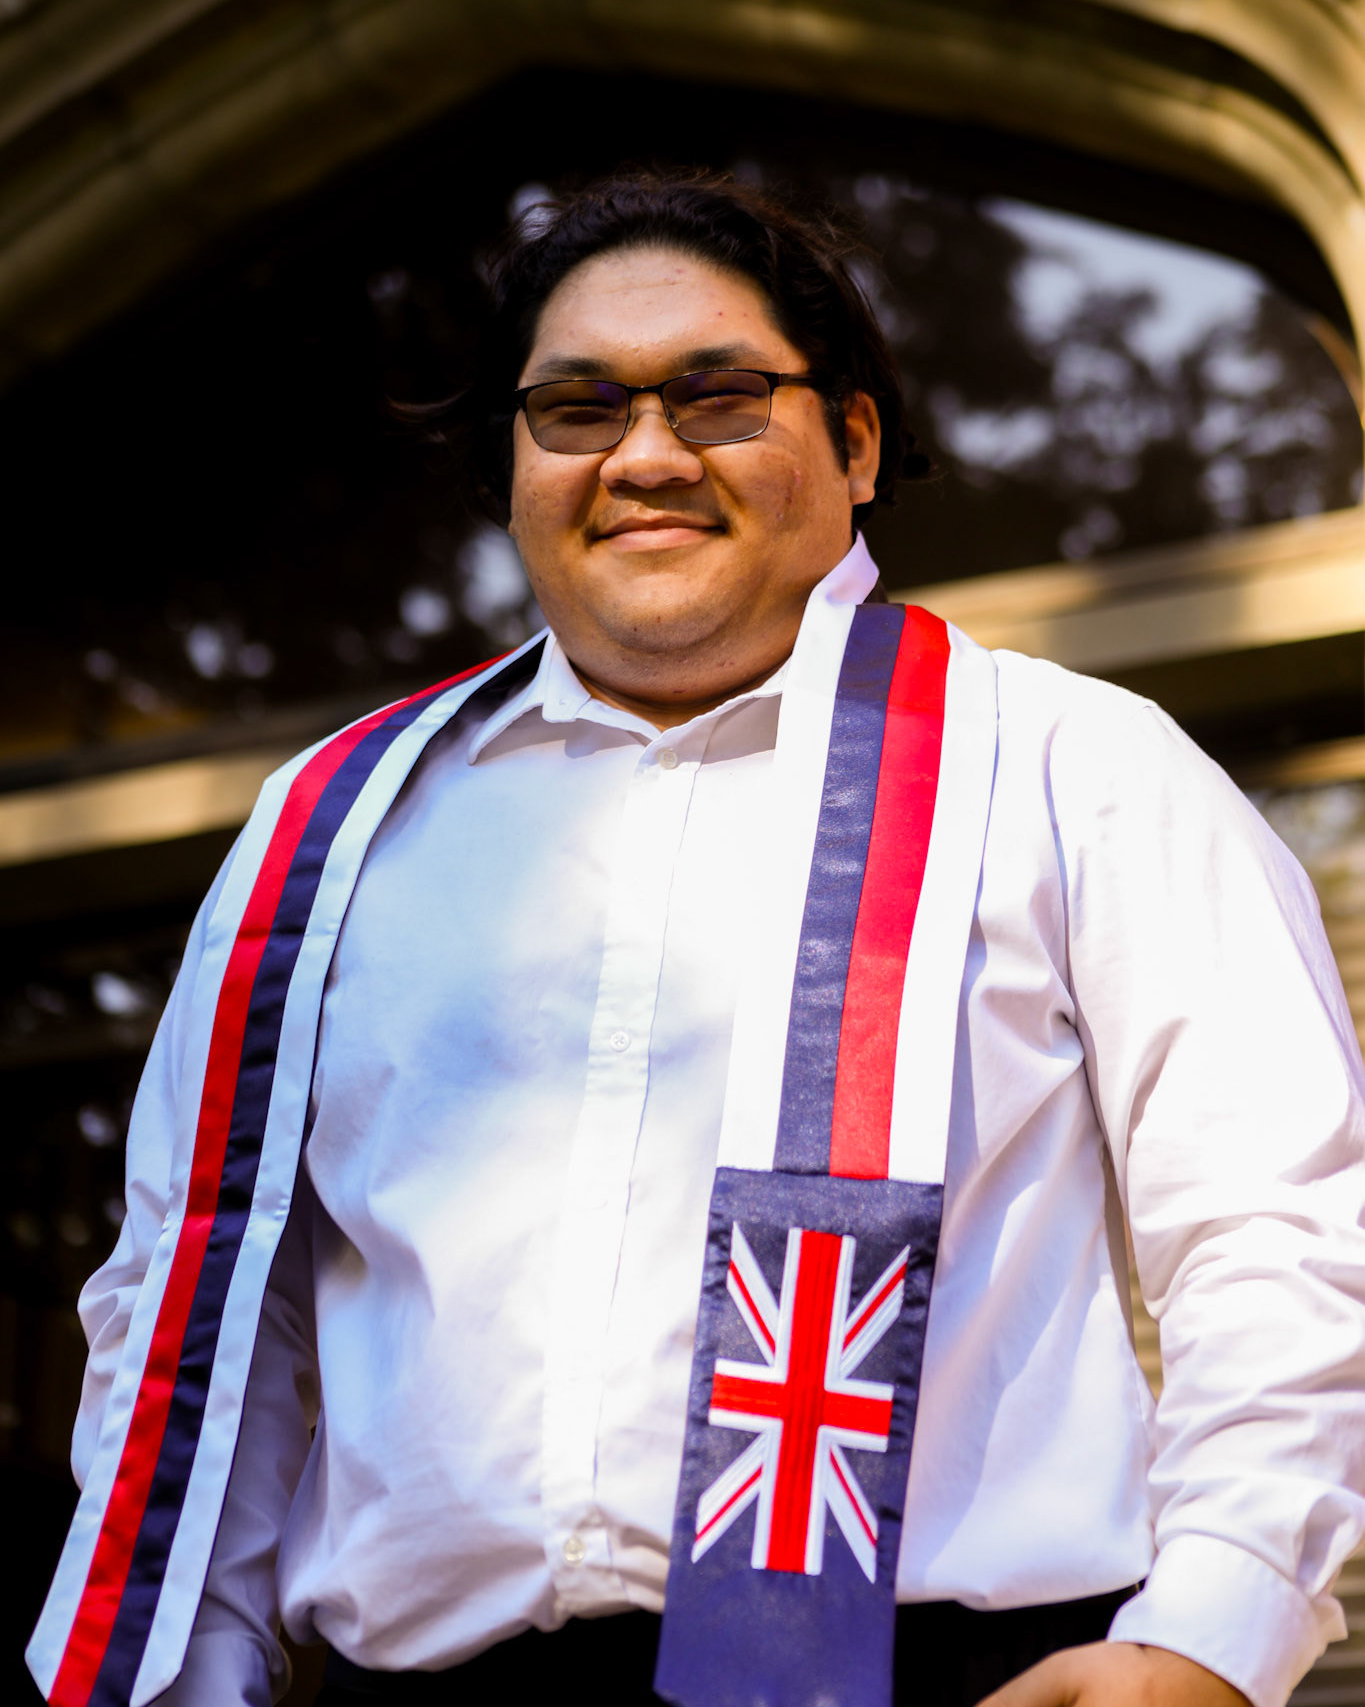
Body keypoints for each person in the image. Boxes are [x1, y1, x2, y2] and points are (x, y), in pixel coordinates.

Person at [28, 172, 1365, 1707]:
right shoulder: (330, 829)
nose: (646, 455)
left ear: (854, 443)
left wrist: (1204, 1635)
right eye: (576, 408)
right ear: (511, 467)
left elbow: (1275, 1224)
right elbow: (199, 1305)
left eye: (719, 397)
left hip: (944, 1673)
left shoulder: (1069, 763)